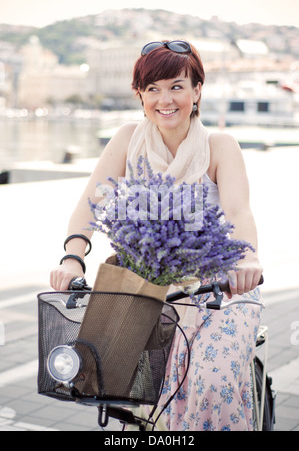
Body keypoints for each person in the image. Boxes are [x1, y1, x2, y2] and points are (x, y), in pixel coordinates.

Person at [50, 40, 263, 431]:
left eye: (176, 86)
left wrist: (246, 260)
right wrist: (72, 257)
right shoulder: (128, 140)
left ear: (197, 90)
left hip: (218, 289)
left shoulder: (220, 147)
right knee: (125, 395)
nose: (165, 99)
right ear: (141, 95)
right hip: (148, 290)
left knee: (211, 381)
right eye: (153, 89)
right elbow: (89, 205)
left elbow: (238, 212)